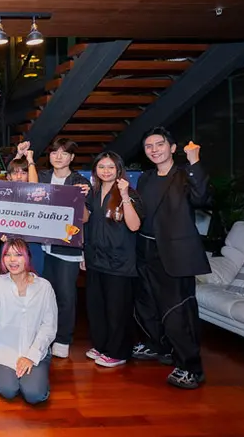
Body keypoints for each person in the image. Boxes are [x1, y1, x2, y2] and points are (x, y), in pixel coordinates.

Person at [133, 127, 210, 389]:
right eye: (149, 146)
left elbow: (202, 199)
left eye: (159, 144)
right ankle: (158, 346)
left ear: (172, 148)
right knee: (147, 305)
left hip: (175, 254)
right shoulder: (145, 178)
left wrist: (195, 161)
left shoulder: (185, 174)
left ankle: (191, 368)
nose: (154, 150)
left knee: (178, 312)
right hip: (144, 249)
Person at [0, 237, 57, 405]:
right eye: (7, 255)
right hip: (5, 350)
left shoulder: (44, 287)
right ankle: (23, 378)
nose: (12, 260)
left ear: (27, 257)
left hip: (34, 349)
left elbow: (49, 326)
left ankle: (36, 377)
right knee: (8, 390)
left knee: (34, 395)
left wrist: (31, 357)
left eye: (18, 255)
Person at [83, 151, 143, 368]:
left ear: (119, 169)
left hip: (120, 262)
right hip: (95, 259)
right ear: (95, 170)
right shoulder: (94, 192)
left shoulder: (129, 193)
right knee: (96, 306)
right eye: (101, 167)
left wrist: (125, 196)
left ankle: (118, 352)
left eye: (111, 167)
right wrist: (77, 199)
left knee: (117, 309)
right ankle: (102, 346)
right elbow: (85, 219)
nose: (106, 171)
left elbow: (134, 226)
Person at [36, 138, 90, 359]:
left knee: (66, 296)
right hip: (42, 247)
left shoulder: (79, 181)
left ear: (72, 157)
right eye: (54, 152)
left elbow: (85, 218)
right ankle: (44, 337)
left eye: (64, 153)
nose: (58, 157)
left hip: (68, 248)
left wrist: (82, 198)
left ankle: (63, 338)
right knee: (44, 295)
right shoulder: (42, 177)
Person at [0, 141, 44, 275]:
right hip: (10, 243)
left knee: (34, 279)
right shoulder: (3, 194)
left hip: (32, 243)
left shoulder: (36, 195)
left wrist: (30, 159)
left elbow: (34, 187)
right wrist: (18, 155)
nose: (19, 177)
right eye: (15, 173)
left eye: (24, 173)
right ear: (9, 177)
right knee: (9, 281)